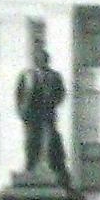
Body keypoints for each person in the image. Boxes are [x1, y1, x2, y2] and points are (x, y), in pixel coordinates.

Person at [15, 46, 70, 181]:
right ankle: (30, 166)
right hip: (31, 114)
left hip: (47, 112)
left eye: (43, 59)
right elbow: (19, 94)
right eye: (38, 59)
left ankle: (51, 165)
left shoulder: (55, 76)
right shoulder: (26, 75)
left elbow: (61, 93)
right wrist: (21, 110)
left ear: (47, 60)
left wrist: (53, 102)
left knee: (49, 139)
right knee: (31, 140)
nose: (40, 61)